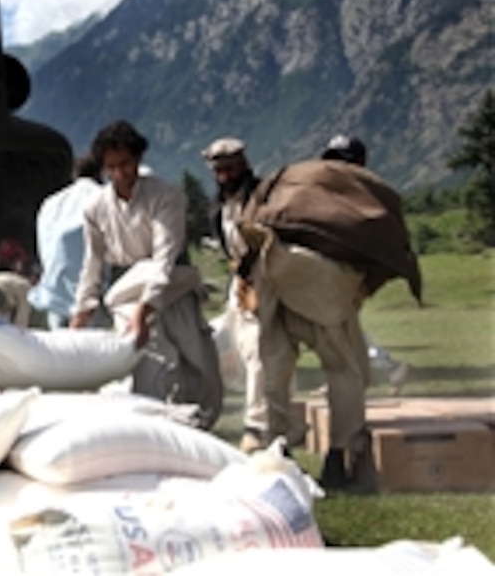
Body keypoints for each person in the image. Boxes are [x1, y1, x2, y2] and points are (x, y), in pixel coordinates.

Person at [238, 156, 422, 492]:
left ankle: (284, 452)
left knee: (275, 371)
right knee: (344, 371)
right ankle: (338, 455)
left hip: (279, 278)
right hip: (322, 285)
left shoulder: (290, 179)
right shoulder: (359, 194)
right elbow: (383, 247)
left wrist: (245, 275)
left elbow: (249, 231)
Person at [70, 120, 223, 429]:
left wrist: (147, 308)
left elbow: (165, 257)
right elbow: (93, 263)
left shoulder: (166, 196)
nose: (120, 173)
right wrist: (83, 308)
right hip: (126, 292)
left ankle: (199, 428)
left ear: (138, 159)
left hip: (172, 287)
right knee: (146, 367)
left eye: (125, 164)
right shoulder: (95, 208)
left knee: (196, 364)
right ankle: (152, 431)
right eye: (111, 167)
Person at [322, 134, 411, 395]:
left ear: (360, 162)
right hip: (336, 267)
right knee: (339, 326)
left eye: (344, 160)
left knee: (337, 325)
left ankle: (385, 366)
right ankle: (375, 369)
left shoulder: (367, 193)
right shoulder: (334, 190)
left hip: (351, 269)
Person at [202, 137, 273, 453]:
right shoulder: (220, 207)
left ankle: (256, 426)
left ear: (242, 166)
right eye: (219, 171)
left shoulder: (262, 198)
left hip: (266, 280)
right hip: (239, 284)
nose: (225, 176)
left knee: (259, 351)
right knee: (240, 349)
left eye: (230, 169)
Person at [28, 155, 104, 329]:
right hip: (90, 299)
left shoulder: (51, 203)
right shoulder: (102, 198)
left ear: (74, 175)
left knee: (58, 352)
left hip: (54, 293)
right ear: (100, 173)